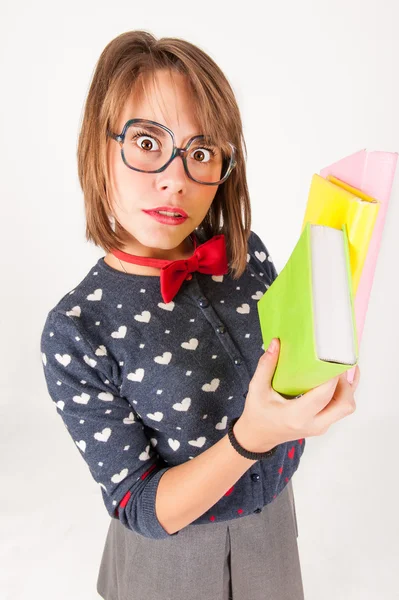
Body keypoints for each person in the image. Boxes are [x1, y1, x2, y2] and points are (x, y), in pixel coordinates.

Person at [40, 30, 360, 600]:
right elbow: (136, 503)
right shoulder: (77, 329)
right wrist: (251, 438)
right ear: (98, 145)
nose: (175, 178)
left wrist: (322, 375)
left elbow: (283, 374)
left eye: (202, 152)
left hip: (274, 530)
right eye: (146, 142)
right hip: (167, 562)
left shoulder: (245, 255)